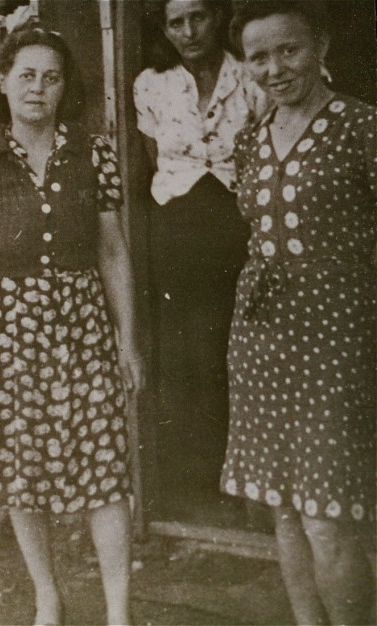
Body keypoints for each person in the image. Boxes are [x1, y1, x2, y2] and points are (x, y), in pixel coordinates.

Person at [0, 23, 145, 626]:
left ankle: (118, 612)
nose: (38, 88)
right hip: (7, 334)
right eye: (27, 75)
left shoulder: (95, 154)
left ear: (65, 88)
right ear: (3, 81)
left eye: (51, 77)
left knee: (104, 467)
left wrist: (127, 341)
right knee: (20, 472)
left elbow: (112, 250)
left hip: (83, 328)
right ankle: (48, 597)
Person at [222, 2, 377, 624]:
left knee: (327, 515)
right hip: (262, 341)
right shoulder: (250, 139)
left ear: (321, 45)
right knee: (283, 506)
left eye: (288, 50)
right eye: (258, 57)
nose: (274, 68)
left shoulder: (361, 127)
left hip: (339, 340)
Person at [133, 0, 266, 498]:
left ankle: (246, 479)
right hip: (178, 230)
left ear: (219, 17)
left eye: (199, 17)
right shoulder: (151, 84)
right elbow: (155, 161)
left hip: (238, 225)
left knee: (239, 348)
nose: (189, 31)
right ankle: (198, 480)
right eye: (176, 22)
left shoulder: (250, 76)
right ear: (164, 29)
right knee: (187, 353)